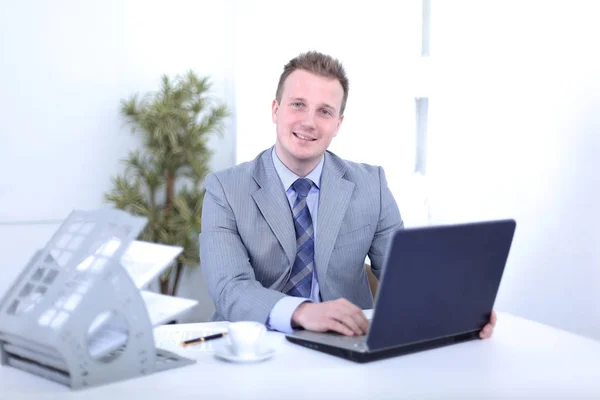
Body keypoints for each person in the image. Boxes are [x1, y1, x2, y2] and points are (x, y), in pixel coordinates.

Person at [200, 50, 496, 339]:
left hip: (346, 342)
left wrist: (458, 308)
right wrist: (302, 312)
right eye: (298, 105)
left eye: (324, 111)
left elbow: (405, 277)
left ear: (338, 124)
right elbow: (230, 288)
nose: (309, 122)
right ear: (276, 110)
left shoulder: (372, 186)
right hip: (256, 343)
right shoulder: (225, 190)